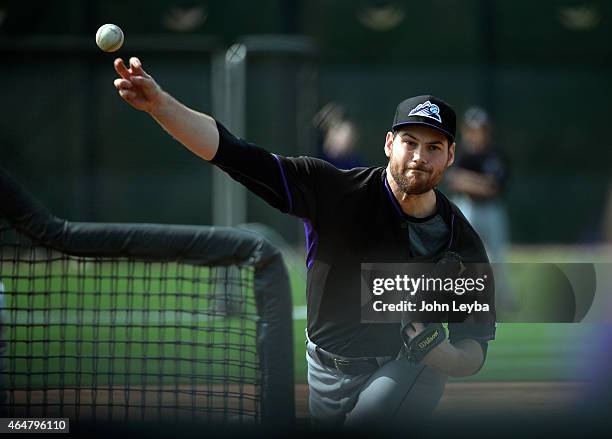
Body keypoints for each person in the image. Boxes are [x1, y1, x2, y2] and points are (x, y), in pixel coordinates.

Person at [112, 57, 495, 430]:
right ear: (389, 143)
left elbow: (473, 349)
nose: (419, 157)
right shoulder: (336, 192)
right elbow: (235, 154)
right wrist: (160, 105)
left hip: (404, 367)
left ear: (450, 156)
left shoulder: (461, 242)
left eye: (433, 147)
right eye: (410, 142)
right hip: (325, 371)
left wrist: (439, 353)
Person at [446, 107, 517, 310]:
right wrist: (480, 182)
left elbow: (493, 189)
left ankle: (503, 300)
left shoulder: (495, 155)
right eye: (471, 129)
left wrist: (466, 180)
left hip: (491, 210)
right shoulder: (461, 154)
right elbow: (452, 181)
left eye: (480, 129)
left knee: (497, 256)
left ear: (487, 131)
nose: (475, 134)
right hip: (467, 207)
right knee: (460, 255)